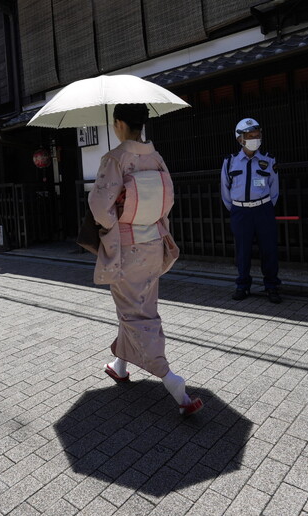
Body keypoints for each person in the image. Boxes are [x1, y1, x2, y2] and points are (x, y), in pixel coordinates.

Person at [88, 103, 203, 416]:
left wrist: (115, 220)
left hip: (128, 248)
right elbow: (168, 199)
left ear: (119, 123)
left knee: (136, 314)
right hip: (153, 241)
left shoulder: (115, 158)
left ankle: (171, 381)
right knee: (138, 306)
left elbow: (100, 207)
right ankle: (119, 365)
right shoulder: (156, 157)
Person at [221, 118, 282, 303]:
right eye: (250, 136)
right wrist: (237, 208)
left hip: (263, 210)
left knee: (269, 250)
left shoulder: (269, 160)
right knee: (242, 252)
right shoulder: (230, 162)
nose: (255, 139)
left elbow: (274, 189)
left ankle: (272, 287)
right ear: (240, 139)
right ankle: (242, 286)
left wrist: (265, 205)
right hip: (240, 212)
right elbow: (225, 190)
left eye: (257, 135)